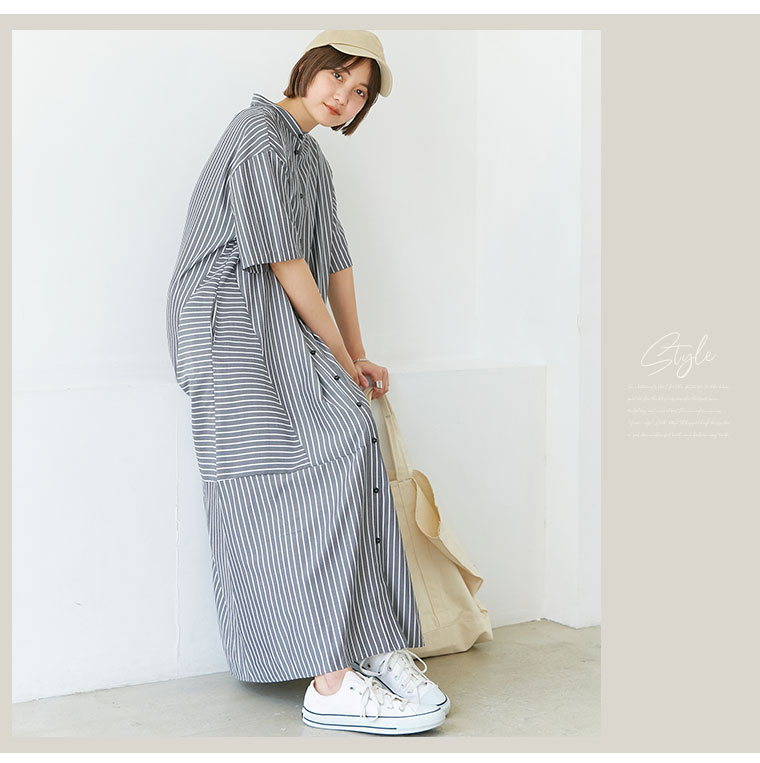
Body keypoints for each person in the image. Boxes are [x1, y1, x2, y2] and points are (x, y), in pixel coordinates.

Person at [165, 30, 450, 735]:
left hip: (276, 318)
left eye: (359, 93)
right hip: (228, 321)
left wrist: (358, 352)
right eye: (337, 77)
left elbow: (335, 258)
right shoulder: (258, 136)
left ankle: (368, 640)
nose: (343, 97)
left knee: (353, 433)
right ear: (308, 69)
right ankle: (328, 679)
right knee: (276, 474)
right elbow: (287, 262)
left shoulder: (310, 157)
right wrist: (340, 354)